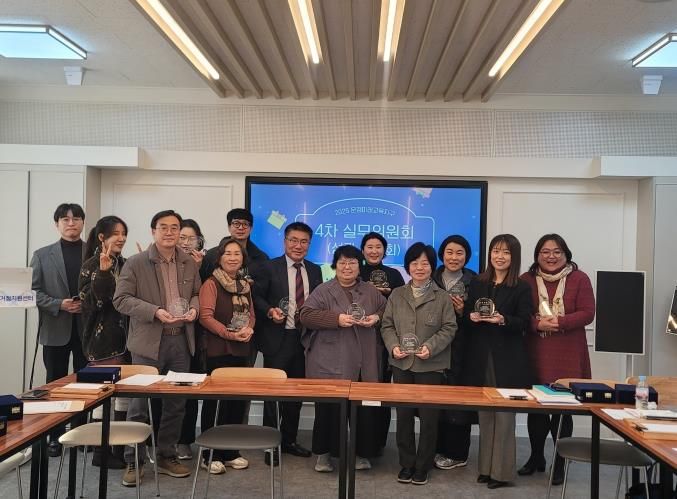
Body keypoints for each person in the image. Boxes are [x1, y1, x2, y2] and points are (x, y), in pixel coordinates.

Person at [113, 209, 200, 486]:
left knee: (176, 404)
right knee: (139, 404)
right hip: (147, 344)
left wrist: (194, 310)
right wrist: (154, 311)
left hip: (180, 342)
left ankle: (166, 456)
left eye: (175, 227)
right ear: (153, 231)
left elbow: (196, 294)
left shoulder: (188, 262)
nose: (170, 232)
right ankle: (133, 460)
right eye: (164, 227)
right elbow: (121, 299)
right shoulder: (136, 262)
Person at [300, 245, 387, 472]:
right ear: (335, 266)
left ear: (360, 266)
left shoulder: (370, 290)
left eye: (352, 262)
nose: (347, 267)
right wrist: (336, 319)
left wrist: (376, 318)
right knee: (329, 411)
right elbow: (306, 315)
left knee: (363, 411)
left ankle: (361, 454)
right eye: (342, 262)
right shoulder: (323, 290)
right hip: (331, 359)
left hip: (364, 360)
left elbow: (386, 310)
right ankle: (324, 454)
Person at [519, 234, 595, 485]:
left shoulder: (580, 278)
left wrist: (560, 322)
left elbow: (588, 313)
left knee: (562, 410)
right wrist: (536, 323)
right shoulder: (526, 280)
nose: (551, 256)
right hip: (536, 351)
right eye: (545, 252)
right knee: (536, 409)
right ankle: (536, 457)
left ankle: (560, 463)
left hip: (568, 353)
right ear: (537, 255)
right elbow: (520, 313)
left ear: (565, 254)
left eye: (556, 252)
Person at [380, 242, 457, 486]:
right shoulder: (397, 294)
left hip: (431, 365)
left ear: (432, 267)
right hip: (401, 364)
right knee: (403, 417)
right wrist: (393, 346)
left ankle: (423, 466)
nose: (419, 267)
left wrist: (431, 347)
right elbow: (387, 325)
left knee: (429, 419)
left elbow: (449, 327)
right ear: (408, 267)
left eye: (425, 263)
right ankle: (407, 463)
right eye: (414, 263)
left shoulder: (442, 297)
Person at [463, 234, 532, 489]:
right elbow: (467, 315)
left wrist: (504, 320)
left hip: (507, 359)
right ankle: (485, 468)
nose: (499, 256)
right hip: (480, 357)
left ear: (514, 257)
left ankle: (501, 473)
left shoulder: (522, 286)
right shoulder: (478, 282)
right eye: (495, 251)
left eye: (505, 252)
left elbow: (525, 322)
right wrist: (470, 316)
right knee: (485, 415)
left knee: (503, 416)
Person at [250, 221, 322, 466]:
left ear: (309, 244)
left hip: (304, 340)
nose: (298, 246)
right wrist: (270, 311)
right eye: (293, 240)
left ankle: (289, 440)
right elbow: (256, 296)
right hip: (277, 339)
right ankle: (270, 444)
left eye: (303, 242)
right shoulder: (268, 267)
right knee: (273, 395)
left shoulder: (315, 270)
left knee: (296, 394)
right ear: (285, 241)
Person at [29, 202, 87, 457]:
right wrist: (58, 304)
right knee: (55, 384)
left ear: (83, 222)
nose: (71, 223)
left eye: (76, 219)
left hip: (87, 330)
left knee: (86, 384)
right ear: (57, 224)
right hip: (55, 329)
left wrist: (89, 304)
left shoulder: (95, 252)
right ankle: (54, 435)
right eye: (65, 219)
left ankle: (82, 434)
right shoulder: (42, 255)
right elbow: (32, 292)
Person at [198, 237, 255, 474]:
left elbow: (251, 315)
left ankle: (230, 452)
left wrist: (249, 329)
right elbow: (205, 317)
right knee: (215, 403)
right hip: (217, 350)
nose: (233, 258)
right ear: (219, 258)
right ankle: (209, 454)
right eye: (228, 253)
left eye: (237, 254)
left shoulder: (245, 285)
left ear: (243, 259)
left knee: (236, 403)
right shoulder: (211, 283)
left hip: (241, 349)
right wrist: (229, 334)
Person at [78, 215, 130, 468]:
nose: (121, 238)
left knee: (123, 397)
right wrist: (103, 272)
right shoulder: (91, 264)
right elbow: (94, 302)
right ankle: (100, 452)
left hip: (126, 339)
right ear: (102, 237)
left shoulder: (126, 263)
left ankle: (117, 448)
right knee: (103, 396)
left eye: (123, 233)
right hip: (102, 341)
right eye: (116, 234)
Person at [432, 235, 477, 471]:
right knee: (436, 400)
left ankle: (458, 453)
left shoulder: (476, 281)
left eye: (460, 253)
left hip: (463, 349)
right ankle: (436, 448)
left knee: (459, 402)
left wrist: (463, 312)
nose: (454, 257)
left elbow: (480, 317)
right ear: (442, 255)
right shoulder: (431, 278)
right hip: (434, 347)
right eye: (449, 252)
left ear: (466, 256)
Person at [359, 232, 405, 453]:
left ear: (385, 251)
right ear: (362, 250)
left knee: (381, 389)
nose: (374, 251)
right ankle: (358, 439)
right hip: (357, 338)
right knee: (359, 390)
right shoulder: (355, 272)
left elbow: (401, 305)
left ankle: (378, 442)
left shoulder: (394, 275)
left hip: (385, 339)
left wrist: (386, 295)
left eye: (378, 247)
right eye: (369, 247)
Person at [175, 218, 205, 461]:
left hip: (192, 337)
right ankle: (162, 441)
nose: (186, 243)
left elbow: (203, 295)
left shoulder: (204, 262)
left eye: (191, 238)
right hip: (164, 336)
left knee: (189, 391)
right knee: (164, 392)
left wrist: (199, 269)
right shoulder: (161, 262)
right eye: (182, 237)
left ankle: (184, 440)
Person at [201, 208, 268, 282]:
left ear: (251, 228)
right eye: (236, 224)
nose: (241, 228)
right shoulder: (211, 255)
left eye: (245, 224)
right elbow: (204, 282)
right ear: (229, 227)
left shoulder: (262, 258)